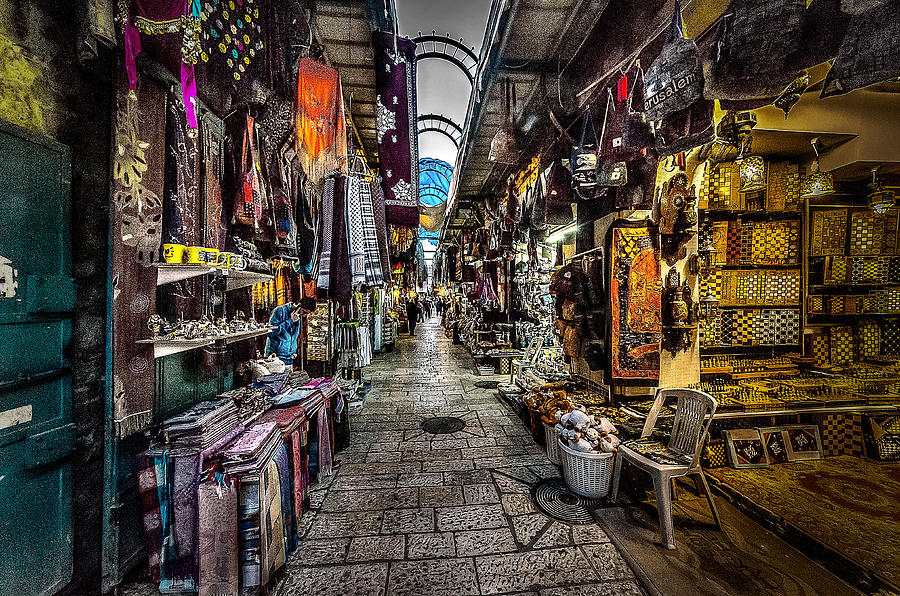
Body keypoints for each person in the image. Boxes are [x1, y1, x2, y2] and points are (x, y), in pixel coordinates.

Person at [265, 301, 303, 365]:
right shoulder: (279, 311)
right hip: (275, 357)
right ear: (298, 306)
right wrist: (290, 321)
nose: (304, 315)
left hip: (290, 357)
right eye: (304, 312)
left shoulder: (297, 316)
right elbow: (271, 332)